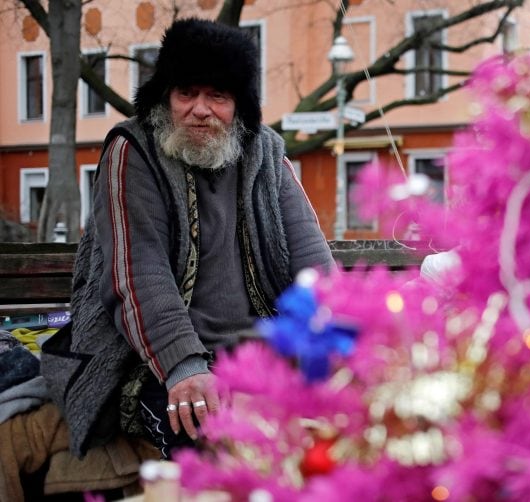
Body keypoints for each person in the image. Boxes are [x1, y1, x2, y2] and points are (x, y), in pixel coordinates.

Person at [41, 18, 335, 459]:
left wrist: (339, 331)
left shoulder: (266, 151)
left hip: (263, 351)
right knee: (214, 437)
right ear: (166, 97)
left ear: (238, 105)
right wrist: (185, 366)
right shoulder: (132, 149)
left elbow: (311, 257)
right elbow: (137, 274)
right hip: (153, 357)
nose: (200, 109)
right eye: (186, 94)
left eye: (217, 96)